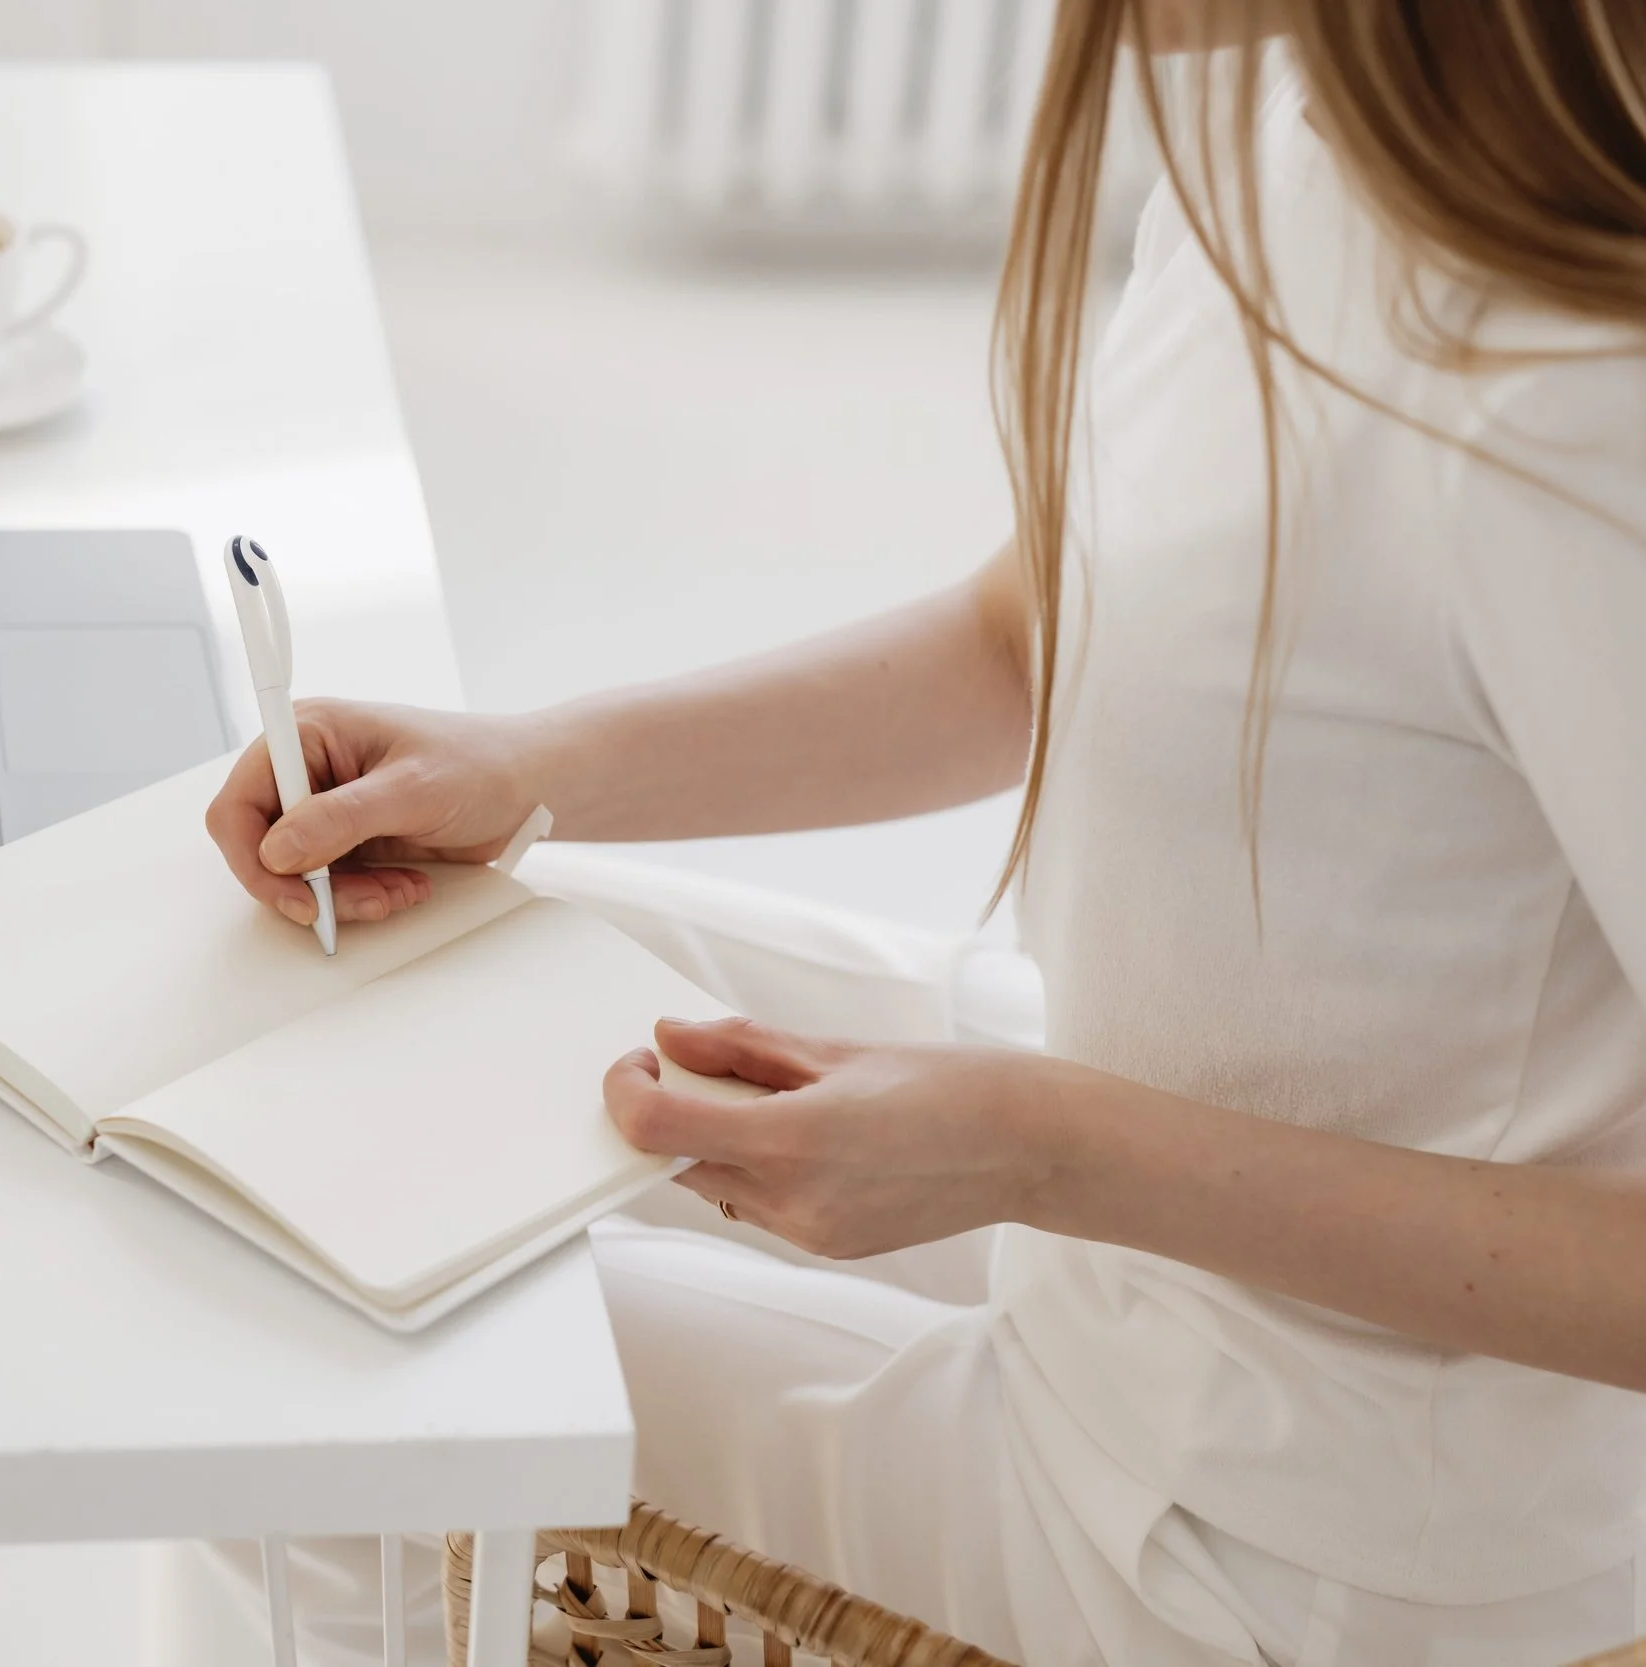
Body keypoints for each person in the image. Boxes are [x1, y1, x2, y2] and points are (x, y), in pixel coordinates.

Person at [173, 2, 1646, 1662]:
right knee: (406, 969)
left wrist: (1042, 1147)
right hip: (1129, 1236)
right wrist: (531, 762)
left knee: (273, 1361)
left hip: (1281, 1542)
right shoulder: (1294, 126)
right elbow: (1043, 634)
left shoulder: (1569, 402)